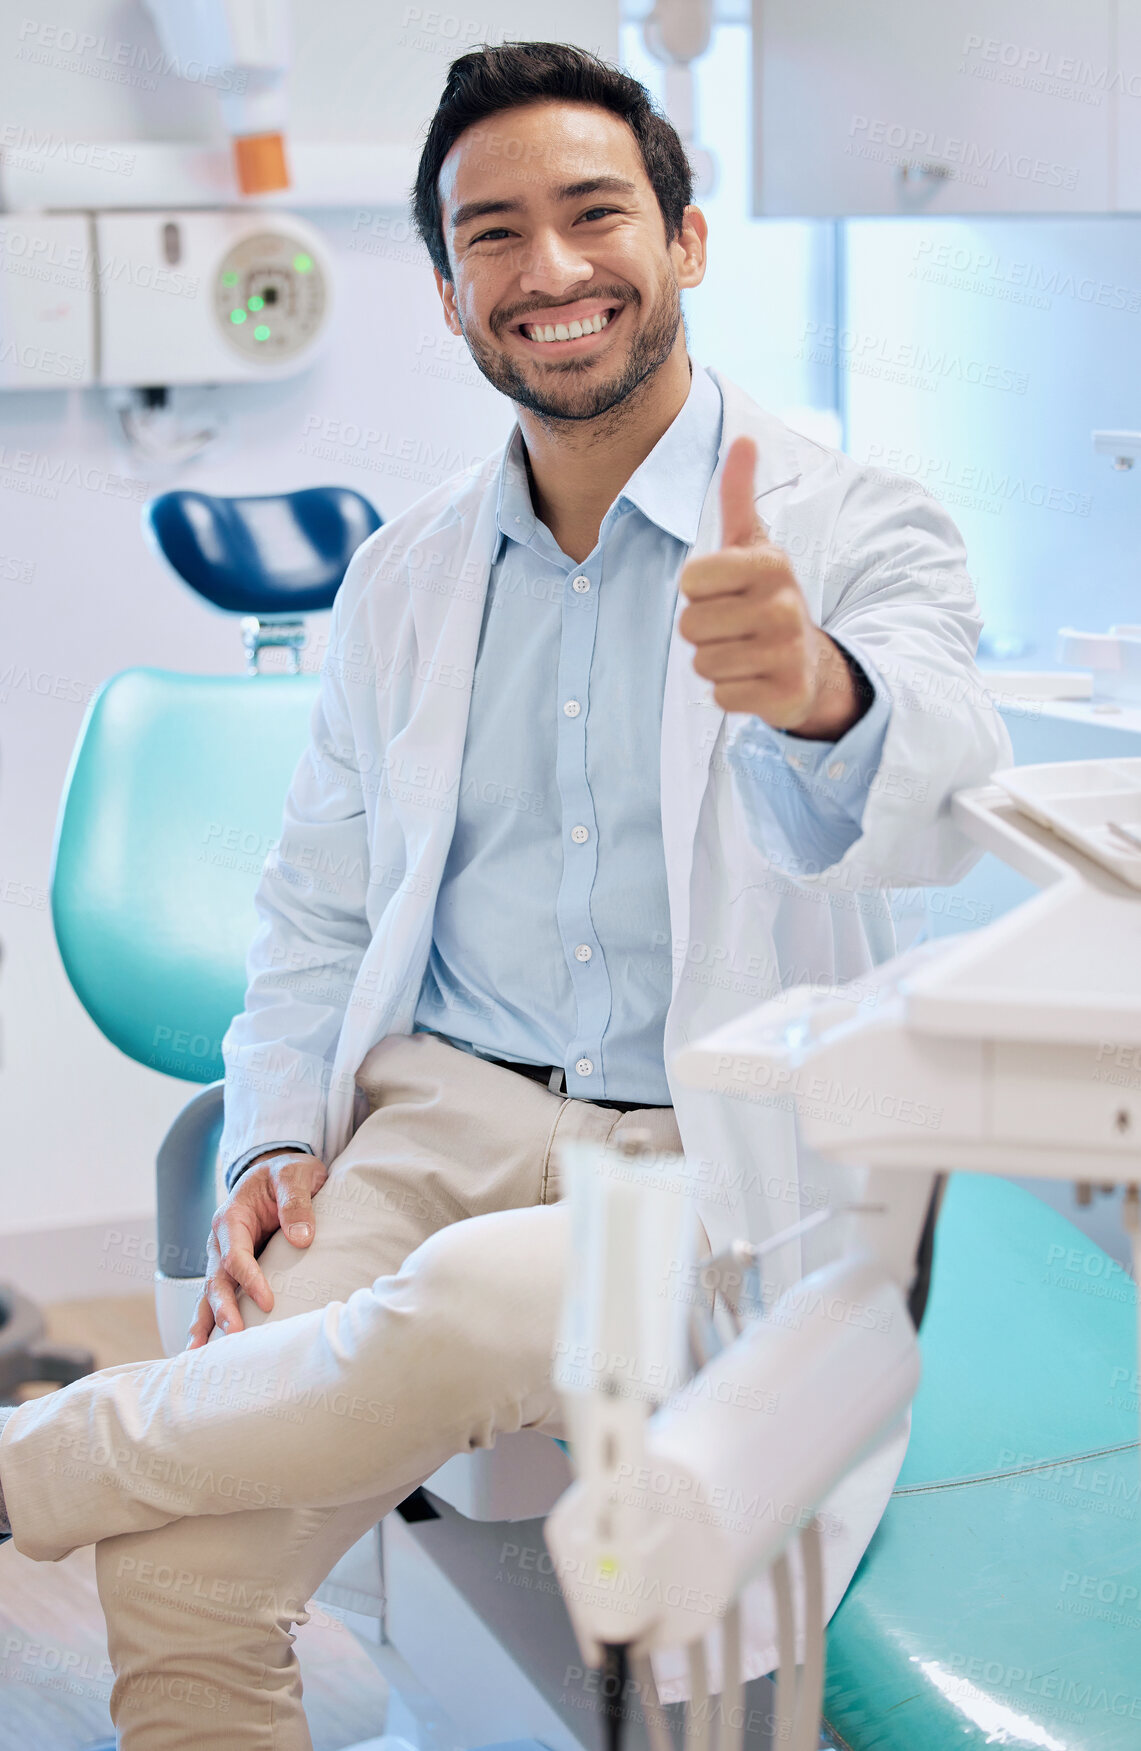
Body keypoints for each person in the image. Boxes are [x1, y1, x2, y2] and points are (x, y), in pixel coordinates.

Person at [0, 40, 1010, 1749]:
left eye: (594, 212)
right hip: (431, 1128)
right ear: (453, 295)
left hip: (721, 1140)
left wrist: (817, 691)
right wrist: (267, 1141)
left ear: (685, 241)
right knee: (178, 1579)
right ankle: (112, 1458)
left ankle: (50, 1454)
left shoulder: (850, 524)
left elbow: (951, 791)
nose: (550, 270)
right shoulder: (400, 577)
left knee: (477, 1307)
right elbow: (315, 908)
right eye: (493, 235)